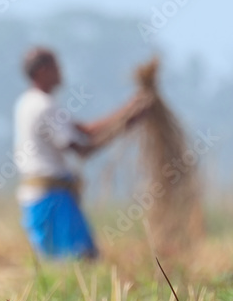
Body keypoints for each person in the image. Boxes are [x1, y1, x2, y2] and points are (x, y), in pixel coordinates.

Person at [14, 46, 153, 260]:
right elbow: (83, 149)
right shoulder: (44, 106)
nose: (60, 71)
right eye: (55, 66)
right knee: (78, 258)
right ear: (42, 71)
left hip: (43, 195)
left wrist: (130, 110)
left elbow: (86, 130)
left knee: (66, 259)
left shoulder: (28, 102)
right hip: (52, 197)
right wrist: (130, 121)